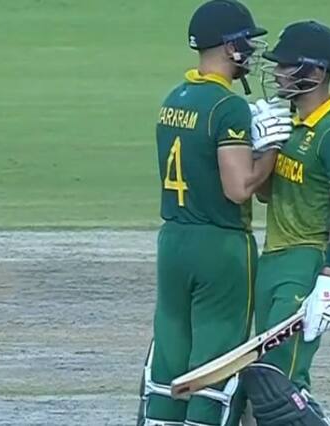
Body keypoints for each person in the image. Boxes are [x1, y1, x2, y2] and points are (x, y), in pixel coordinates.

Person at [136, 1, 292, 425]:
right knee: (217, 358)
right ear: (229, 46)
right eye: (246, 42)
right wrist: (270, 148)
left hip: (173, 241)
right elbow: (238, 188)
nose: (251, 51)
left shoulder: (174, 98)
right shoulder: (228, 107)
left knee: (171, 347)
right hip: (220, 245)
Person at [241, 20, 330, 425]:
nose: (277, 72)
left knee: (275, 382)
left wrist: (329, 281)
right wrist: (263, 149)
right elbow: (265, 194)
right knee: (277, 378)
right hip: (273, 261)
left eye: (286, 65)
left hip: (309, 265)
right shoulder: (290, 125)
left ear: (316, 72)